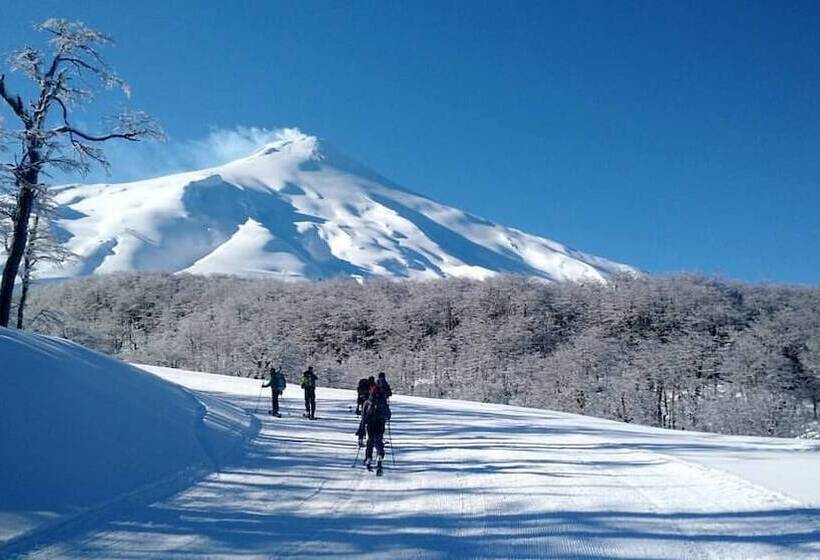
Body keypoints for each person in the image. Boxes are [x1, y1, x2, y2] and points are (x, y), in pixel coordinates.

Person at [356, 384, 389, 474]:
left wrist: (362, 427)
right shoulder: (383, 401)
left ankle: (368, 458)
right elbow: (388, 414)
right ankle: (379, 456)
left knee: (370, 441)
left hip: (370, 425)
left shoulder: (367, 402)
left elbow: (363, 416)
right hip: (380, 424)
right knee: (378, 441)